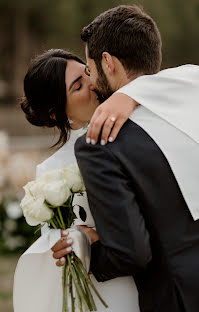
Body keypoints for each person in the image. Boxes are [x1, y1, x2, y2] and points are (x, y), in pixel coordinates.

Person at [53, 5, 199, 312]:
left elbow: (132, 253)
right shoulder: (198, 99)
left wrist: (87, 251)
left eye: (90, 69)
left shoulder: (100, 144)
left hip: (180, 298)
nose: (92, 82)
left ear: (108, 62)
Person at [13, 48, 140, 312]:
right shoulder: (50, 173)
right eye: (78, 86)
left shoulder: (136, 130)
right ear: (56, 113)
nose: (93, 84)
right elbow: (59, 241)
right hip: (102, 289)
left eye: (87, 73)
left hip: (148, 280)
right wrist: (70, 242)